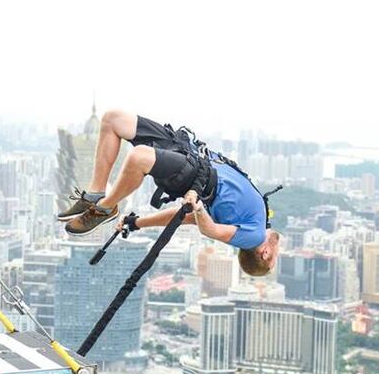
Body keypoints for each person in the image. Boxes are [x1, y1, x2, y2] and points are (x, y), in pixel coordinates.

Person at [58, 110, 281, 276]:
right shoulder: (253, 222)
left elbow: (210, 230)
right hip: (191, 151)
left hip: (196, 174)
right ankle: (95, 194)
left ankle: (106, 208)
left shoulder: (254, 238)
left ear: (265, 254)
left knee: (139, 157)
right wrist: (136, 223)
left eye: (274, 260)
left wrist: (199, 208)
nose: (278, 251)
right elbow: (183, 218)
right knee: (113, 119)